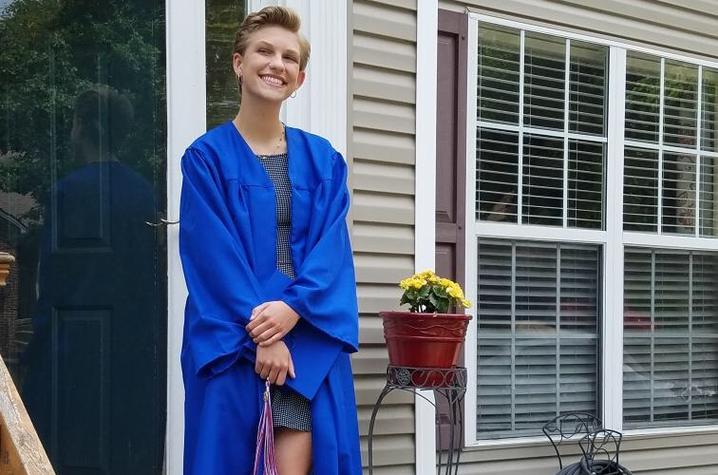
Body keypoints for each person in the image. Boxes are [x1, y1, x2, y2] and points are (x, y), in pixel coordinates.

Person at [179, 6, 361, 475]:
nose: (276, 63)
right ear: (239, 62)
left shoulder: (324, 161)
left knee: (302, 459)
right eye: (264, 50)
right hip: (233, 335)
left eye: (288, 57)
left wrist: (291, 312)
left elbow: (330, 252)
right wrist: (263, 331)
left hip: (307, 331)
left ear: (299, 78)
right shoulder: (206, 159)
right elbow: (211, 255)